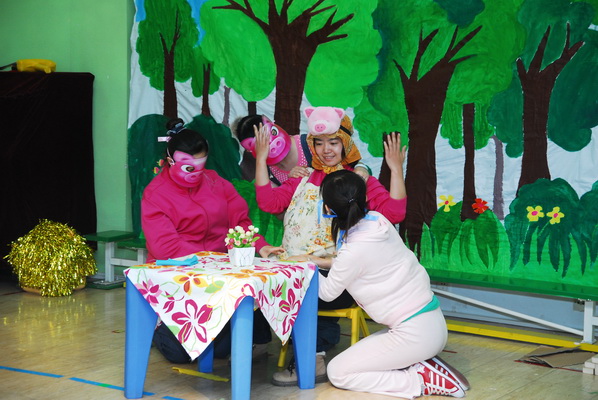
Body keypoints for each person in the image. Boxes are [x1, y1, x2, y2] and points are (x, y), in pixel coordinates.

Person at [253, 107, 407, 385]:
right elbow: (268, 203)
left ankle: (313, 358)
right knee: (260, 283)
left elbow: (395, 213)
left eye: (334, 142)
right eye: (319, 143)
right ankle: (263, 342)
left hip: (337, 276)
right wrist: (262, 160)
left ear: (345, 144)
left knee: (307, 288)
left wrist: (396, 169)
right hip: (294, 269)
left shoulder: (357, 181)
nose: (326, 150)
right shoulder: (301, 176)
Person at [142, 118, 284, 363]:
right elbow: (165, 247)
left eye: (201, 165)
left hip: (218, 276)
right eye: (189, 168)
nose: (196, 174)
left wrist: (261, 246)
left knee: (219, 351)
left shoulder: (216, 182)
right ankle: (159, 326)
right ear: (170, 161)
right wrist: (213, 262)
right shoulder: (156, 194)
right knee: (181, 354)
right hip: (178, 277)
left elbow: (240, 223)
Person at [318, 169, 470, 398]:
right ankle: (421, 362)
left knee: (338, 372)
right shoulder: (378, 222)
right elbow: (360, 263)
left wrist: (304, 270)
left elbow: (328, 292)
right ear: (364, 198)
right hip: (430, 324)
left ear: (328, 209)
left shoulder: (353, 251)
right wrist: (319, 263)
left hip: (414, 335)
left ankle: (418, 379)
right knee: (359, 360)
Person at [234, 114, 371, 186]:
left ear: (274, 124)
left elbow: (352, 162)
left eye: (271, 134)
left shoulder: (312, 143)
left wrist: (361, 168)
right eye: (262, 144)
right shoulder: (267, 175)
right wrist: (291, 185)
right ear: (251, 151)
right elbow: (277, 210)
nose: (272, 145)